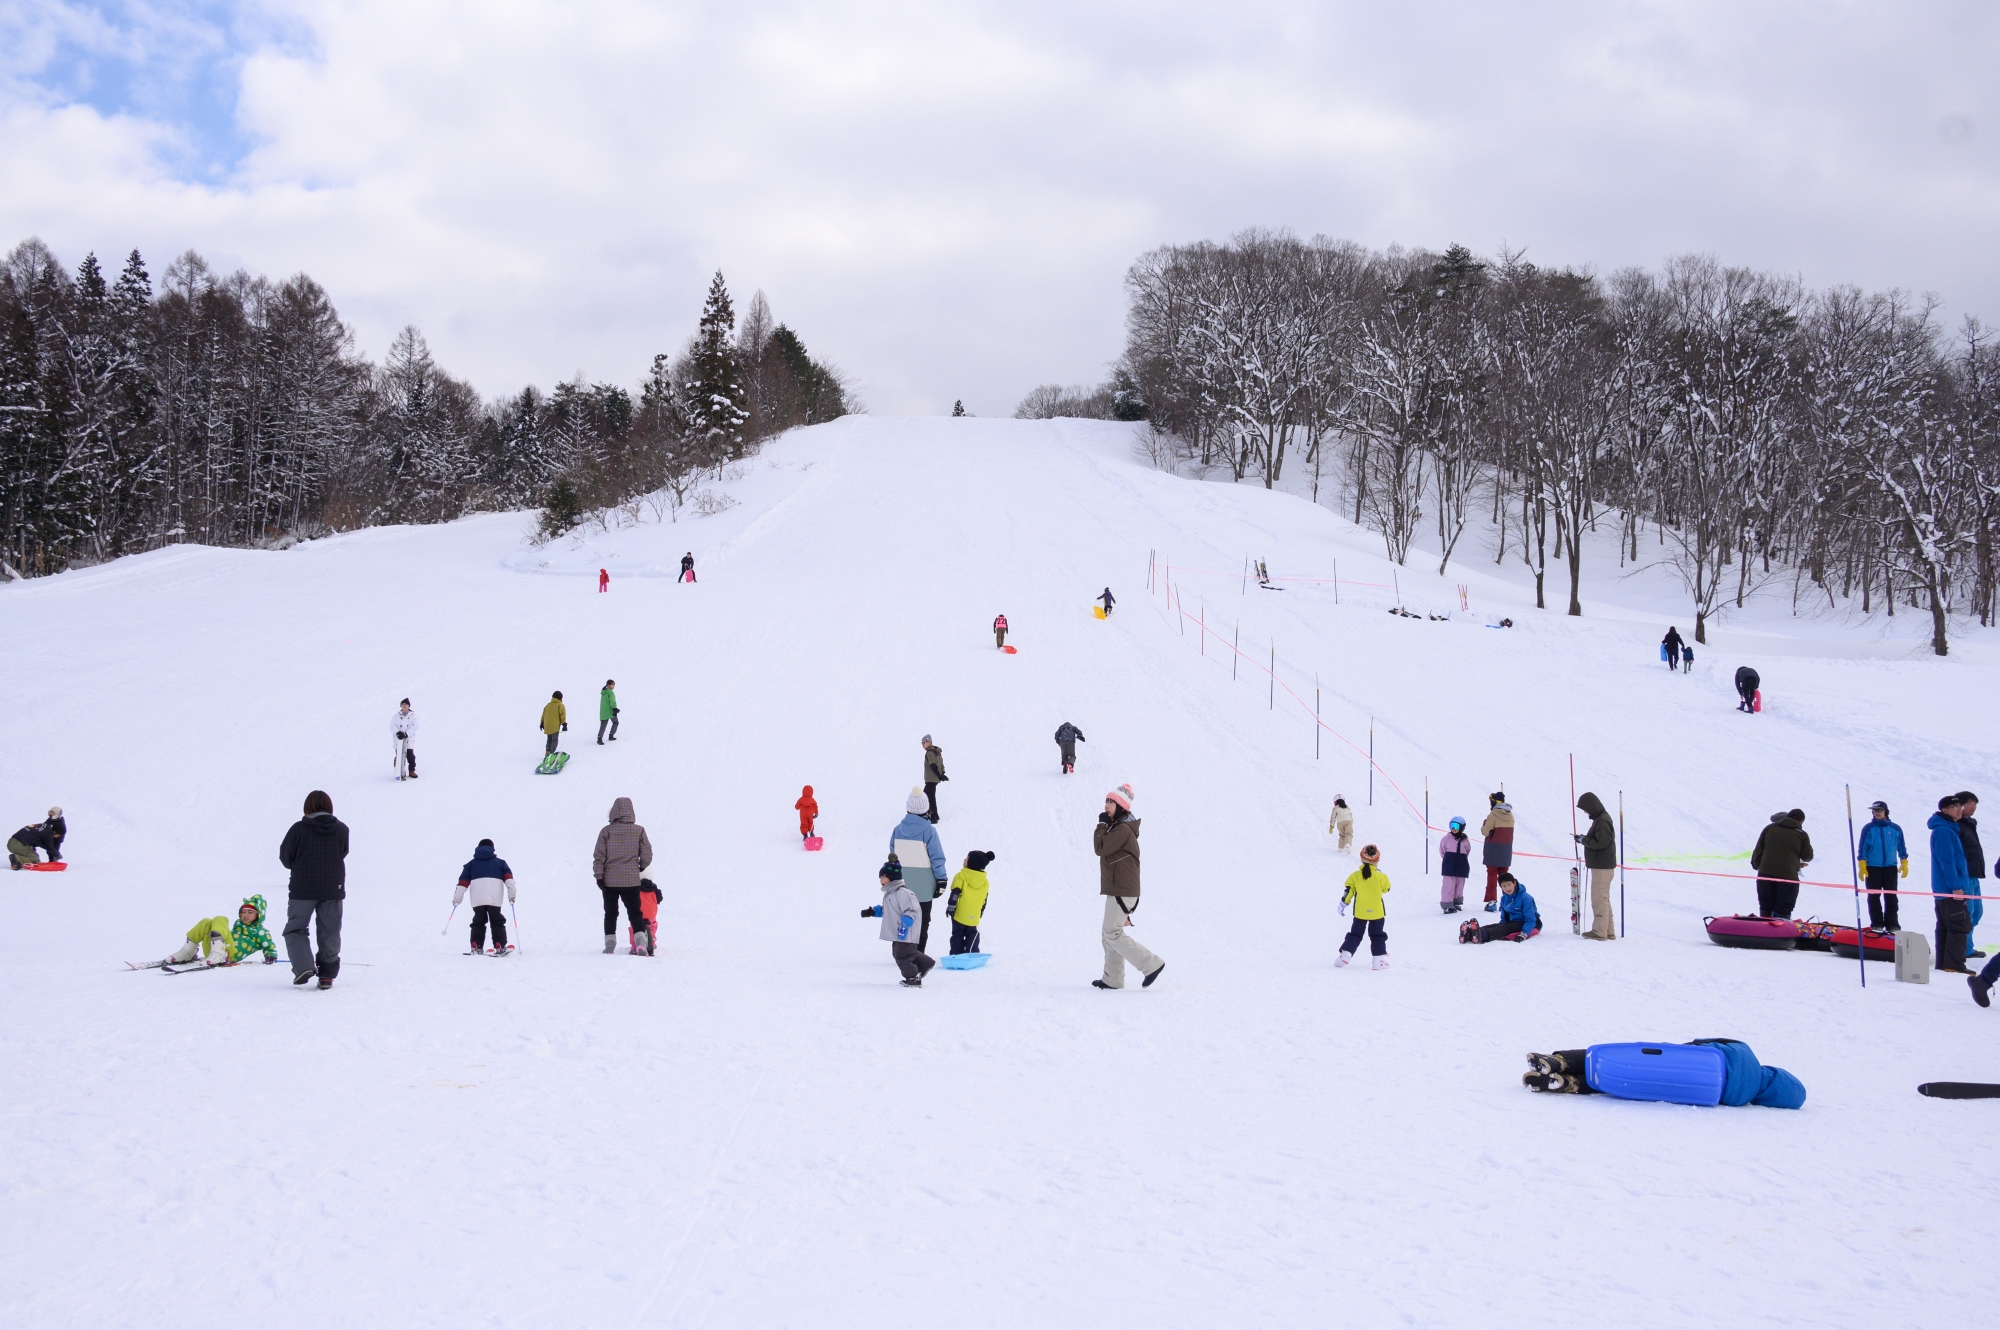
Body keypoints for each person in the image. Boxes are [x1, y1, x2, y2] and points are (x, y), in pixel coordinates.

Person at [1523, 1040, 1805, 1108]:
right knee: (1617, 1083)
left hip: (1684, 1059)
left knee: (1605, 1057)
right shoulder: (1735, 1099)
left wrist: (1685, 1048)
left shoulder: (1744, 1053)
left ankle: (1557, 1061)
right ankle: (1567, 1083)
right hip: (1679, 1083)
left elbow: (1707, 1043)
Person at [1092, 783, 1163, 989]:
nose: (1106, 806)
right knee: (1109, 934)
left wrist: (1101, 825)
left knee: (1112, 934)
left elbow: (1101, 847)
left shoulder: (1122, 829)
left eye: (1110, 802)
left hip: (1122, 891)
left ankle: (1151, 965)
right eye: (1105, 801)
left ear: (1121, 806)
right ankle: (1112, 979)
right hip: (1119, 890)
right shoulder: (1120, 828)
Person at [280, 790, 349, 990]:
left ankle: (303, 967)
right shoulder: (342, 829)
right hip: (332, 887)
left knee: (295, 928)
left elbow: (286, 857)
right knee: (330, 930)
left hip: (303, 888)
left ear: (307, 807)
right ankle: (327, 976)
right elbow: (343, 852)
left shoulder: (298, 829)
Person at [594, 797, 654, 955]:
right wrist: (640, 867)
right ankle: (640, 943)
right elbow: (647, 853)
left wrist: (599, 876)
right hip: (631, 880)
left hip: (609, 881)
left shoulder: (606, 831)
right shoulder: (639, 830)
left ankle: (609, 945)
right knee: (635, 912)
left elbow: (599, 856)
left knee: (611, 912)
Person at [889, 788, 947, 951]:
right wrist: (941, 880)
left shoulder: (897, 830)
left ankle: (900, 950)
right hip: (924, 887)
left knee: (902, 918)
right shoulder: (929, 831)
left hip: (902, 886)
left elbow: (893, 855)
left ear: (908, 808)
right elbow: (937, 858)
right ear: (926, 809)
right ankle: (918, 952)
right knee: (922, 920)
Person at [861, 860, 933, 987]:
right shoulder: (891, 893)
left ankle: (913, 978)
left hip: (906, 931)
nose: (881, 880)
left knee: (902, 955)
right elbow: (887, 910)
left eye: (883, 877)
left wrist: (905, 925)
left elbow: (912, 910)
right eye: (880, 877)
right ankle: (926, 963)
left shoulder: (903, 893)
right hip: (899, 932)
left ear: (892, 877)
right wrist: (872, 911)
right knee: (903, 952)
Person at [164, 895, 279, 967]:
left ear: (259, 915)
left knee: (221, 919)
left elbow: (269, 946)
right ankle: (188, 952)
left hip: (229, 954)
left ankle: (220, 954)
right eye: (244, 912)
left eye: (250, 912)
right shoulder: (238, 925)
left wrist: (271, 956)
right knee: (206, 922)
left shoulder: (260, 931)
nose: (245, 915)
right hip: (213, 951)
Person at [1931, 794, 1974, 975]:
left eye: (1959, 806)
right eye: (1954, 807)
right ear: (1944, 810)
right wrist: (1956, 886)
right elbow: (1946, 861)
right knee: (1959, 925)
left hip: (1945, 889)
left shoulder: (1948, 828)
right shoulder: (1944, 831)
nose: (1959, 809)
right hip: (1950, 889)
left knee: (1947, 926)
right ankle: (1954, 964)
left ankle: (1944, 963)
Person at [454, 838, 516, 956]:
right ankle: (499, 945)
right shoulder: (500, 863)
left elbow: (462, 883)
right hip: (494, 897)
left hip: (477, 899)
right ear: (492, 848)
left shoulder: (470, 865)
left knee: (478, 921)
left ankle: (476, 946)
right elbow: (509, 880)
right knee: (496, 920)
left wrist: (457, 899)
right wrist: (512, 894)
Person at [1856, 800, 1910, 932]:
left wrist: (1904, 862)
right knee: (1874, 897)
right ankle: (1877, 923)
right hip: (1873, 867)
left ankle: (1892, 924)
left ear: (1885, 811)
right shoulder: (1868, 828)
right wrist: (1862, 864)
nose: (1876, 813)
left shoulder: (1895, 828)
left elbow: (1901, 846)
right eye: (1874, 811)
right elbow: (1862, 847)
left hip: (1890, 867)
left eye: (1879, 810)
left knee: (1891, 897)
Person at [1749, 808, 1812, 919]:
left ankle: (1763, 929)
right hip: (1788, 877)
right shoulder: (1801, 834)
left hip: (1765, 874)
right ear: (1801, 821)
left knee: (1766, 905)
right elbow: (1807, 856)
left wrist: (1759, 866)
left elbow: (1758, 850)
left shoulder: (1769, 828)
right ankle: (1781, 932)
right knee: (1784, 907)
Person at [1338, 844, 1391, 969]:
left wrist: (1343, 903)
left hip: (1360, 912)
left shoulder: (1355, 875)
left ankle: (1346, 955)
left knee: (1355, 934)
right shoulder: (1381, 876)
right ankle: (1377, 961)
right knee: (1377, 935)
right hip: (1377, 912)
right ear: (1377, 860)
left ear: (1362, 858)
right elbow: (1386, 889)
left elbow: (1349, 890)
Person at [1575, 791, 1618, 939]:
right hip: (1603, 866)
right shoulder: (1601, 819)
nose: (1586, 812)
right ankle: (1608, 931)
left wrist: (1583, 841)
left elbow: (1602, 842)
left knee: (1599, 899)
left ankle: (1599, 932)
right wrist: (1584, 838)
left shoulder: (1603, 820)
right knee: (1603, 898)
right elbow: (1600, 839)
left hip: (1602, 867)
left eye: (1586, 809)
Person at [1459, 872, 1540, 943]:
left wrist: (1524, 933)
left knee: (1505, 928)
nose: (1507, 888)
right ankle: (1470, 934)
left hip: (1530, 923)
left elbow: (1531, 919)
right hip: (1513, 922)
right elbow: (1504, 918)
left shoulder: (1525, 898)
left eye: (1509, 884)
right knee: (1496, 926)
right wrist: (1499, 927)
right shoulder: (1504, 898)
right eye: (1504, 886)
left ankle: (1481, 935)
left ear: (1514, 883)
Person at [947, 851, 993, 955]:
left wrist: (951, 905)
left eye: (967, 858)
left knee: (957, 934)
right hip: (974, 914)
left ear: (972, 862)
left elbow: (955, 892)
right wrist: (981, 911)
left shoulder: (960, 876)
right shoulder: (985, 881)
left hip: (959, 913)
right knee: (972, 933)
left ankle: (956, 954)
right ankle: (972, 953)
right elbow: (984, 899)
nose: (964, 859)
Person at [1956, 791, 1985, 957]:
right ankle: (1964, 949)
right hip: (1964, 875)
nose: (1973, 807)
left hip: (1974, 874)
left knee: (1976, 912)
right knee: (1968, 913)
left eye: (1975, 804)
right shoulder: (1957, 825)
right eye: (1969, 804)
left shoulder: (1969, 823)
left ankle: (1967, 947)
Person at [1479, 792, 1514, 911]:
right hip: (1506, 850)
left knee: (1492, 875)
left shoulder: (1493, 815)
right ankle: (1508, 900)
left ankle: (1492, 901)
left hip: (1493, 849)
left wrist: (1485, 824)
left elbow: (1486, 832)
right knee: (1505, 877)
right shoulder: (1511, 816)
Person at [1439, 816, 1471, 913]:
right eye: (1451, 825)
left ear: (1462, 828)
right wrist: (1449, 860)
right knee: (1448, 886)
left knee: (1459, 885)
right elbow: (1442, 851)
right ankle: (1447, 904)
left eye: (1456, 826)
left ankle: (1456, 902)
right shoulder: (1445, 839)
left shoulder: (1465, 841)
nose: (1454, 828)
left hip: (1461, 867)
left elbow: (1468, 851)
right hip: (1449, 867)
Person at [921, 734, 947, 823]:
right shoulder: (937, 752)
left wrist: (940, 775)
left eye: (923, 743)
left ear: (929, 742)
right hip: (933, 779)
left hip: (931, 779)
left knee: (928, 797)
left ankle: (933, 817)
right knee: (926, 796)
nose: (922, 745)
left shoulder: (930, 752)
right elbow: (941, 765)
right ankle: (934, 815)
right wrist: (942, 774)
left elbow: (933, 765)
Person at [393, 698, 418, 779]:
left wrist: (406, 734)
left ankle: (411, 770)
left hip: (409, 739)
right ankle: (398, 772)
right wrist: (397, 732)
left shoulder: (413, 716)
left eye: (406, 704)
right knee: (399, 756)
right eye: (403, 704)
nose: (404, 706)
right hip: (399, 740)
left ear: (408, 706)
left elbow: (414, 726)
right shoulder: (396, 716)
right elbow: (392, 726)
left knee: (410, 755)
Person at [540, 690, 567, 756]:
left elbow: (543, 714)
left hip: (547, 725)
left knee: (549, 738)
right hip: (554, 726)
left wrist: (542, 723)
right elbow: (562, 715)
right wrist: (564, 724)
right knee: (554, 739)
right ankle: (551, 753)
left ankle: (547, 750)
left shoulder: (548, 705)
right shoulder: (560, 705)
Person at [597, 680, 619, 745]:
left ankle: (599, 738)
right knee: (616, 722)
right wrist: (614, 708)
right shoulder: (610, 692)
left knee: (603, 726)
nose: (613, 686)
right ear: (608, 685)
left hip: (603, 712)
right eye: (612, 684)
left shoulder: (604, 692)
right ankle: (611, 735)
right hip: (610, 711)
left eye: (614, 684)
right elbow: (612, 701)